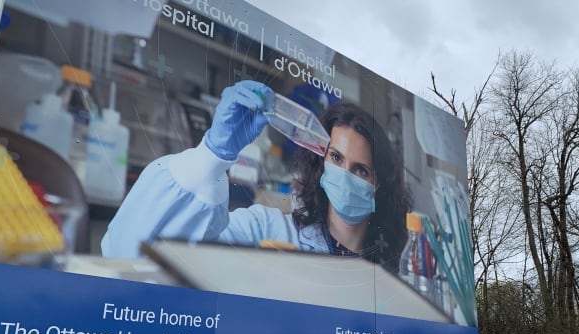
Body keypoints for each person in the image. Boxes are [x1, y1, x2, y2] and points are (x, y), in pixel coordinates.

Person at [102, 80, 412, 273]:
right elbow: (131, 256)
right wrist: (212, 155)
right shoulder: (266, 231)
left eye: (360, 170)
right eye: (335, 158)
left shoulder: (389, 270)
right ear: (321, 163)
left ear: (378, 184)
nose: (343, 175)